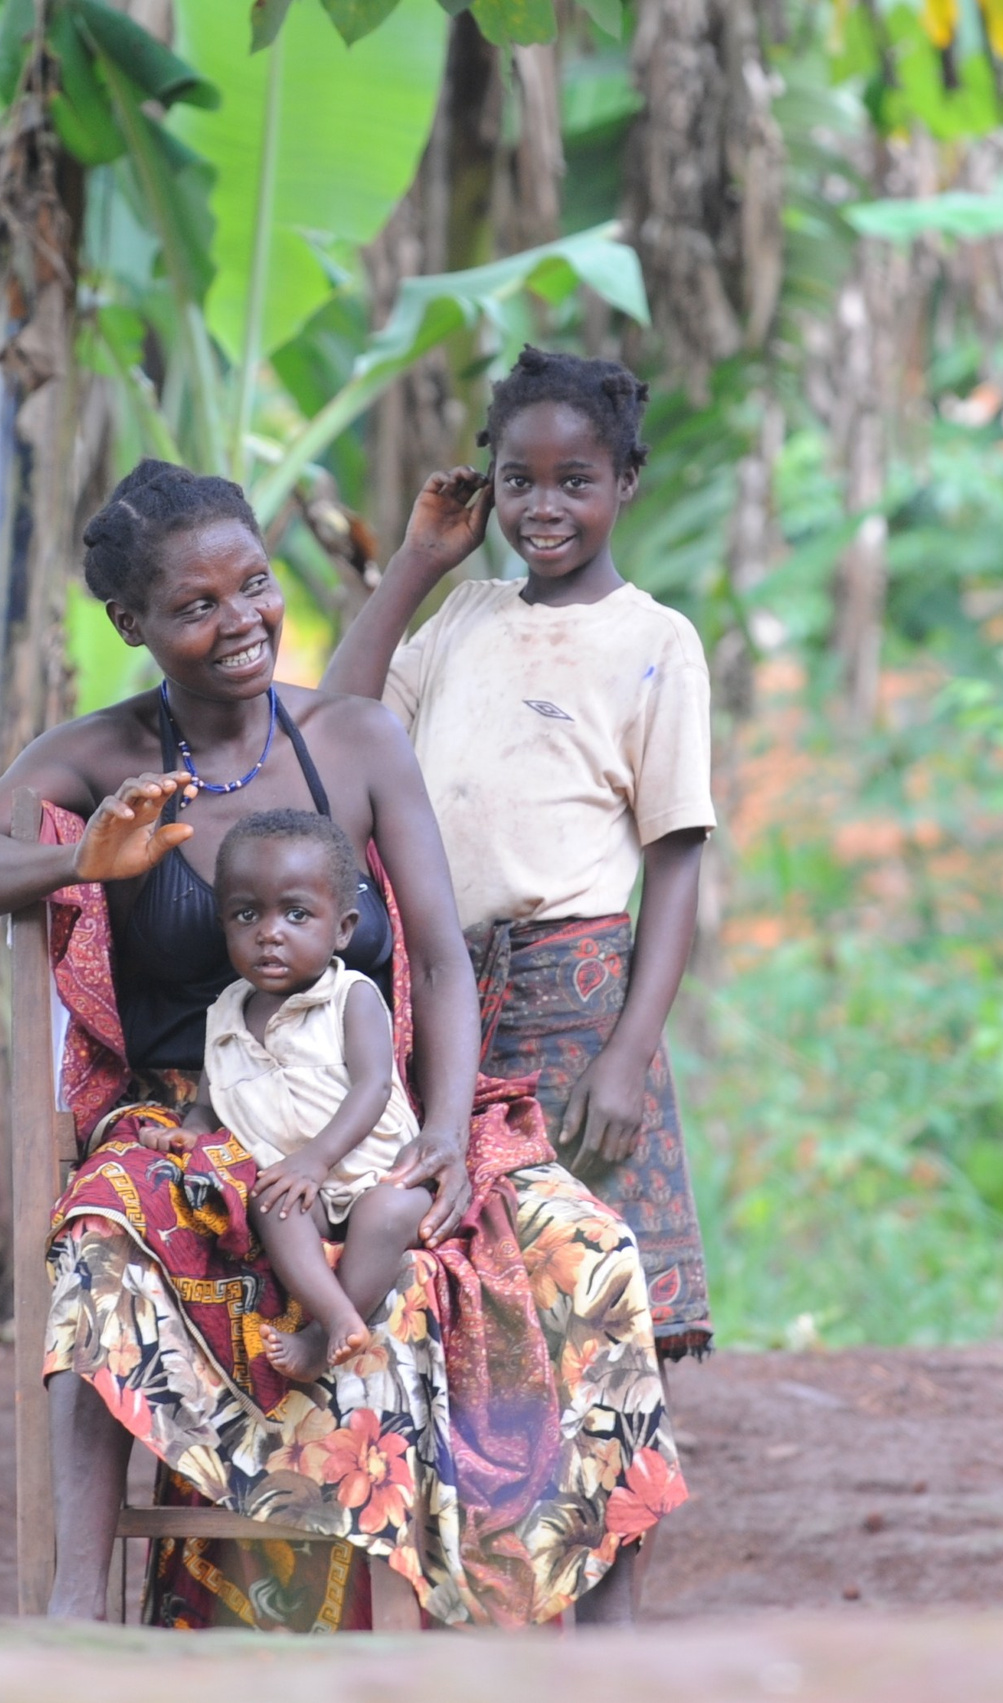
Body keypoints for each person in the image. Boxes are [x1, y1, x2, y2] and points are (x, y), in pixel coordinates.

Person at [0, 458, 683, 1631]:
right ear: (132, 624)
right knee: (101, 1238)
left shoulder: (356, 739)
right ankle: (75, 1609)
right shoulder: (103, 753)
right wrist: (80, 860)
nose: (242, 623)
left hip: (369, 1103)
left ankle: (605, 1634)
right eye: (195, 605)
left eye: (255, 587)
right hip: (190, 1113)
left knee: (588, 1247)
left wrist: (437, 1135)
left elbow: (432, 955)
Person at [323, 347, 715, 1360]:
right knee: (457, 1272)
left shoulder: (655, 640)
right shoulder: (464, 614)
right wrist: (417, 561)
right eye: (519, 481)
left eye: (576, 482)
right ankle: (478, 1510)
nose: (544, 506)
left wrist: (627, 1052)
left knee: (579, 1279)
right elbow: (340, 718)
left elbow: (676, 859)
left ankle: (605, 1513)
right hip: (439, 984)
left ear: (625, 483)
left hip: (568, 997)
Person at [161, 809, 428, 1380]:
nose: (270, 932)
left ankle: (321, 1332)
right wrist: (190, 1128)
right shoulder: (225, 1013)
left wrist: (316, 1159)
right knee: (268, 1203)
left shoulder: (348, 996)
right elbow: (212, 1100)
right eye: (246, 915)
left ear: (343, 929)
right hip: (295, 1187)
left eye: (297, 914)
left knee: (392, 1209)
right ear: (224, 925)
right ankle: (334, 1319)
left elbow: (374, 1085)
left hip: (373, 1173)